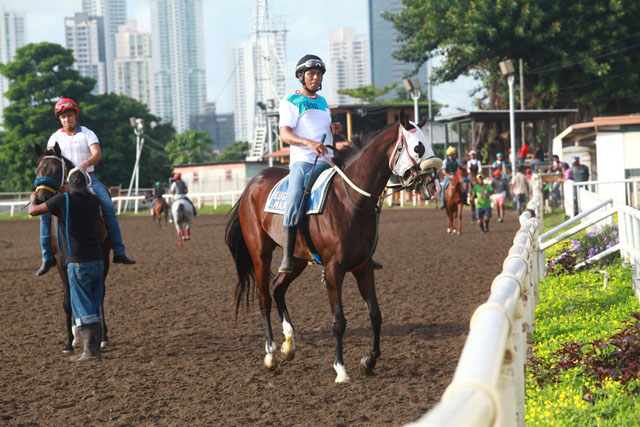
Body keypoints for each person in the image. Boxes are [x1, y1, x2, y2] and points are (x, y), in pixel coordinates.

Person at [36, 98, 135, 276]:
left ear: (76, 116)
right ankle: (47, 257)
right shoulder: (54, 137)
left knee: (107, 207)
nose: (67, 120)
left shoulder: (88, 133)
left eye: (69, 116)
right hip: (64, 182)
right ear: (60, 120)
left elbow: (97, 154)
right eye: (63, 117)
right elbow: (51, 161)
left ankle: (119, 251)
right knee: (45, 213)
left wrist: (82, 166)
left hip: (88, 178)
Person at [29, 168, 104, 361]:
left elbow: (33, 211)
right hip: (97, 261)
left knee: (82, 306)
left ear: (67, 186)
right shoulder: (94, 201)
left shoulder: (63, 200)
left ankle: (88, 351)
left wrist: (32, 199)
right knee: (94, 306)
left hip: (77, 262)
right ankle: (95, 349)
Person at [277, 54, 335, 274]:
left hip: (328, 162)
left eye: (319, 74)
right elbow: (285, 134)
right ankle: (287, 257)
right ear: (301, 76)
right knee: (294, 198)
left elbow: (324, 133)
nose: (315, 77)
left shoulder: (323, 102)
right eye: (311, 73)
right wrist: (308, 143)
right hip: (304, 163)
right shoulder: (290, 101)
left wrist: (332, 131)